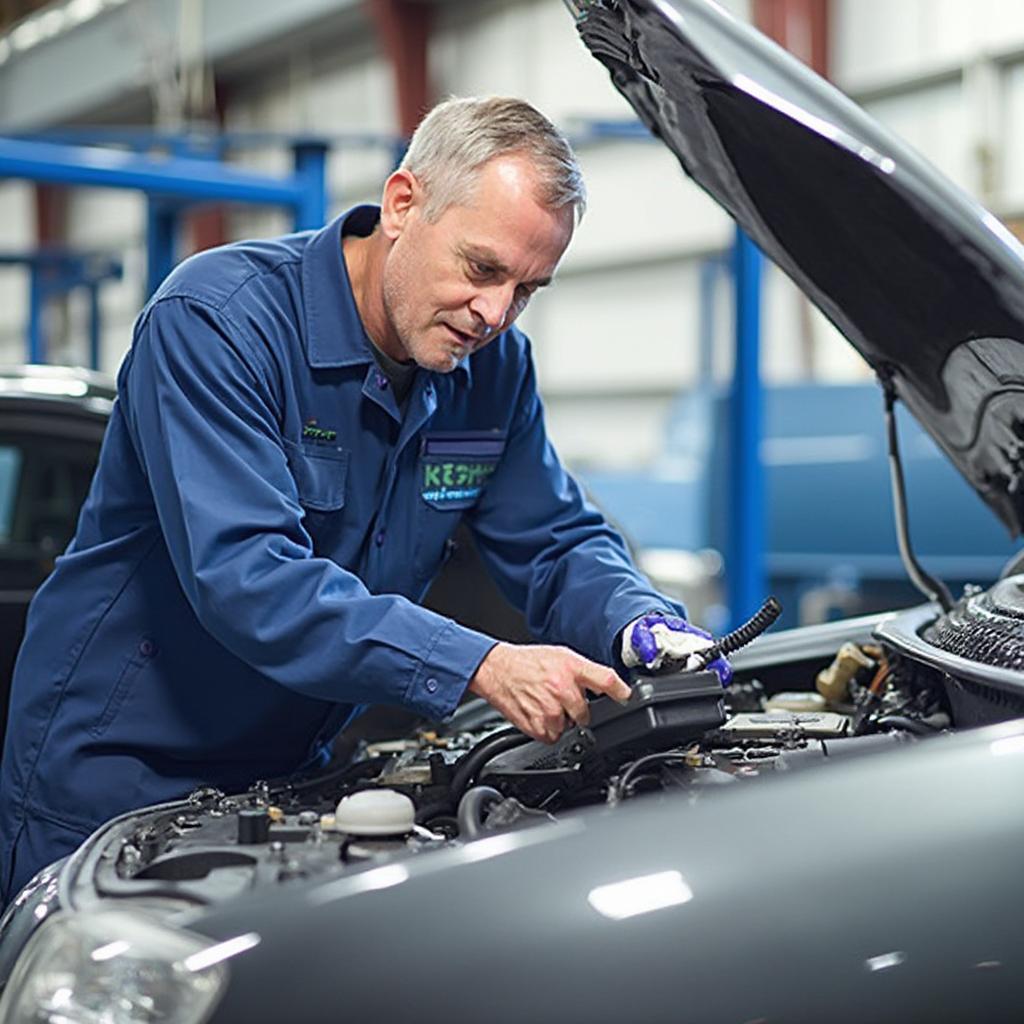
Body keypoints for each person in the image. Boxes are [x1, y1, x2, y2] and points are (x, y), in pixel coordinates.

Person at [0, 96, 725, 906]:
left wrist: (639, 620)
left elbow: (555, 540)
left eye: (527, 289)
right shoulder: (219, 323)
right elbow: (250, 578)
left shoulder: (493, 372)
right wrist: (480, 663)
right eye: (483, 269)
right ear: (402, 204)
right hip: (115, 780)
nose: (496, 314)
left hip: (290, 780)